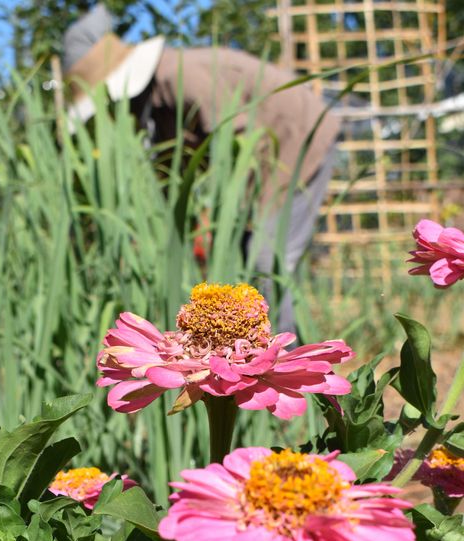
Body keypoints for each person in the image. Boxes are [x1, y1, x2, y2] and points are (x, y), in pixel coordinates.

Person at [61, 4, 339, 334]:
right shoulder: (152, 107)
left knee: (266, 261)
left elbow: (239, 143)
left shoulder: (179, 76)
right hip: (262, 167)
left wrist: (225, 220)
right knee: (245, 261)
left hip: (297, 145)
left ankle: (286, 362)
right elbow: (173, 173)